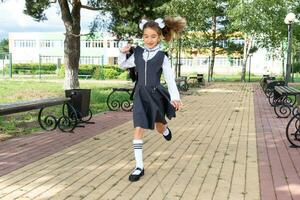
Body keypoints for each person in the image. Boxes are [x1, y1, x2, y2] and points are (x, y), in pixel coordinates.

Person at [118, 16, 186, 182]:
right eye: (146, 36)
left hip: (155, 95)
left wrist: (175, 98)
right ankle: (139, 167)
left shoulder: (163, 56)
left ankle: (165, 130)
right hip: (140, 96)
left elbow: (170, 79)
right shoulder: (138, 53)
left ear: (159, 37)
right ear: (143, 36)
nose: (149, 40)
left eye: (153, 36)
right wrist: (122, 52)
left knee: (158, 127)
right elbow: (123, 65)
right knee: (138, 128)